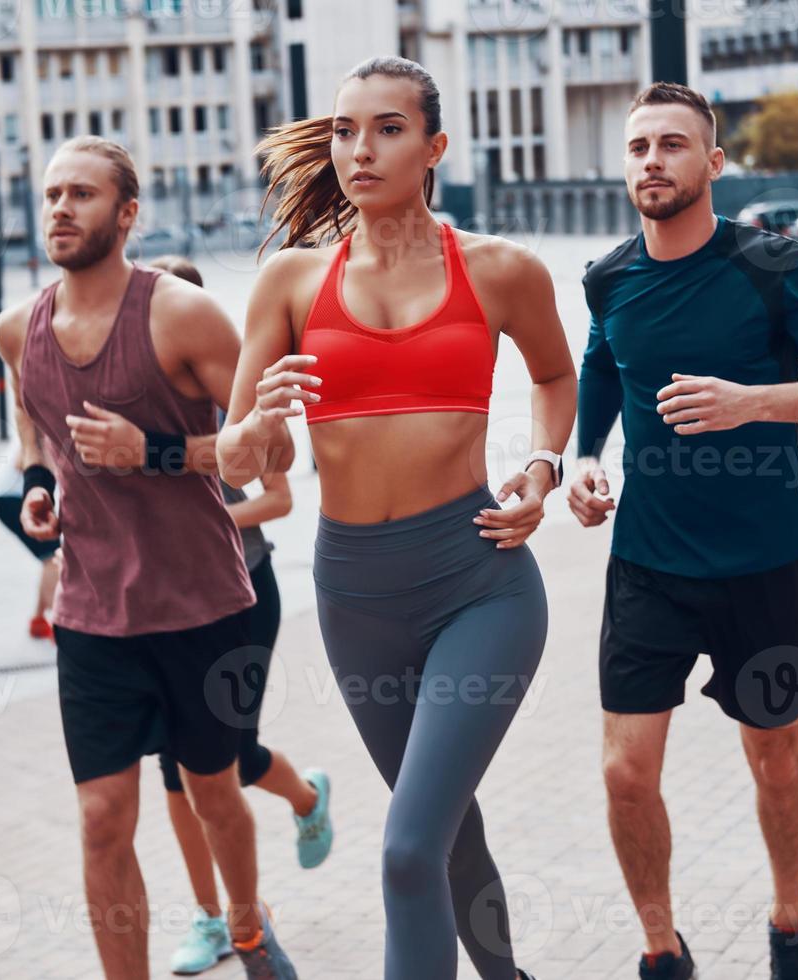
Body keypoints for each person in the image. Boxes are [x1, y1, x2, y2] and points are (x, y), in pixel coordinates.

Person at [217, 57, 577, 980]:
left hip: (478, 583)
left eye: (386, 129)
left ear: (434, 148)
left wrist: (539, 469)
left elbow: (554, 373)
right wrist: (258, 421)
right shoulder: (291, 283)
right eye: (343, 130)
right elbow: (232, 459)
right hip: (355, 595)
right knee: (447, 833)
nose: (359, 149)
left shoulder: (499, 270)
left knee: (408, 849)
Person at [569, 83, 798, 980]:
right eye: (637, 147)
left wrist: (754, 401)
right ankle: (661, 951)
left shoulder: (774, 265)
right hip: (647, 567)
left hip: (764, 563)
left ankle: (789, 922)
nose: (652, 161)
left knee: (776, 762)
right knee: (625, 773)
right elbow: (600, 364)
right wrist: (587, 456)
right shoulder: (608, 277)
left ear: (712, 163)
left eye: (673, 145)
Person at [0, 137, 299, 979]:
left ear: (127, 215)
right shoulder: (18, 329)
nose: (60, 207)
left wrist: (155, 453)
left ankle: (245, 926)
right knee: (101, 820)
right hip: (93, 615)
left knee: (211, 793)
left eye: (82, 195)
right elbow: (35, 421)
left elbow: (270, 455)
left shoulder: (181, 316)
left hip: (202, 605)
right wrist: (36, 480)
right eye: (52, 193)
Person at [146, 254, 333, 976]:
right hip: (161, 611)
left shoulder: (233, 399)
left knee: (229, 761)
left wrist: (206, 520)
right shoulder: (138, 405)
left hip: (243, 594)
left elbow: (281, 498)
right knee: (173, 771)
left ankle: (308, 796)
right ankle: (211, 918)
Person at [0, 407, 63, 638]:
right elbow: (23, 462)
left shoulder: (43, 418)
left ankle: (39, 619)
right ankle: (59, 624)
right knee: (53, 558)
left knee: (49, 556)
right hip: (12, 499)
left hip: (9, 496)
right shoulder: (39, 426)